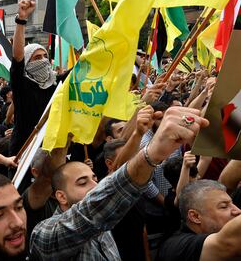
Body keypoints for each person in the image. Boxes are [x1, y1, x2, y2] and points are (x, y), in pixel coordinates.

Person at [0, 36, 208, 260]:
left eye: (17, 207)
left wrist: (153, 152)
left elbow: (93, 210)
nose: (16, 222)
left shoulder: (40, 243)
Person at [29, 104, 209, 260]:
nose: (95, 186)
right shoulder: (45, 236)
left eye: (95, 179)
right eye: (82, 182)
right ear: (61, 196)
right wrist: (151, 153)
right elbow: (93, 210)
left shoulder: (104, 227)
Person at [9, 0, 69, 156]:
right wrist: (21, 20)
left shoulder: (58, 82)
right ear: (28, 63)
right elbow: (17, 58)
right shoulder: (22, 84)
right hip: (24, 150)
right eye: (36, 58)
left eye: (44, 56)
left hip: (51, 149)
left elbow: (83, 66)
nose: (42, 60)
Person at [157, 180, 241, 261]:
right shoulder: (177, 246)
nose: (238, 211)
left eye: (232, 204)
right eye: (224, 206)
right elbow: (229, 244)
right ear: (195, 217)